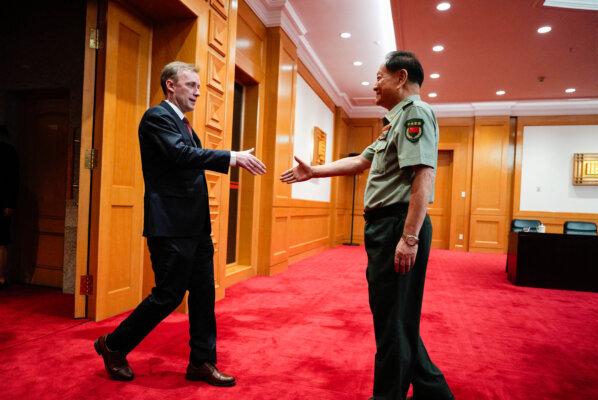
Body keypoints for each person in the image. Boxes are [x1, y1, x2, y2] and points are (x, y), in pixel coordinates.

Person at [281, 51, 454, 400]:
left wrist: (409, 237)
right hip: (384, 226)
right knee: (396, 317)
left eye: (379, 77)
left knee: (392, 323)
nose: (373, 84)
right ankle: (435, 392)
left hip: (397, 225)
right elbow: (361, 161)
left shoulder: (415, 114)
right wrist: (315, 171)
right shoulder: (394, 121)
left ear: (401, 77)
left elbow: (424, 175)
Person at [94, 61, 266, 385]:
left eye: (200, 86)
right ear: (171, 85)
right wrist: (231, 156)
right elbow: (181, 156)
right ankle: (113, 345)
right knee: (168, 296)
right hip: (170, 226)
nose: (199, 92)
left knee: (203, 294)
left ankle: (201, 362)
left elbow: (188, 162)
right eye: (191, 85)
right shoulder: (156, 118)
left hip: (196, 228)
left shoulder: (184, 125)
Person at [0, 125, 19, 289]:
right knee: (2, 241)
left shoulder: (8, 152)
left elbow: (12, 180)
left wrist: (9, 204)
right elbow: (13, 180)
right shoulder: (9, 151)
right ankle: (1, 278)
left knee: (2, 241)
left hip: (3, 202)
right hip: (4, 202)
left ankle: (1, 278)